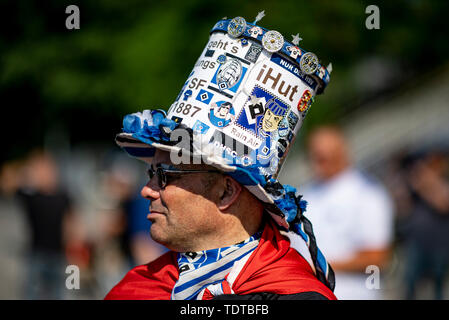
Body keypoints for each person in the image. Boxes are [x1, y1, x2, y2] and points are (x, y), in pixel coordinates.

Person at [105, 13, 336, 300]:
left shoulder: (295, 296)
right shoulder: (138, 290)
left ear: (226, 191)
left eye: (165, 176)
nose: (146, 190)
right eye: (152, 174)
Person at [301, 126, 394, 300]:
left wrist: (318, 266)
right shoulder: (305, 194)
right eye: (315, 155)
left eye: (324, 156)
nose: (318, 161)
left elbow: (377, 258)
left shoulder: (367, 193)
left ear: (341, 152)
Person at [399, 150, 449, 299]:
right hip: (416, 242)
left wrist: (427, 185)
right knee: (410, 281)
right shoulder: (415, 187)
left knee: (437, 284)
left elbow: (443, 204)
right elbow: (403, 209)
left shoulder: (442, 184)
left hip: (439, 244)